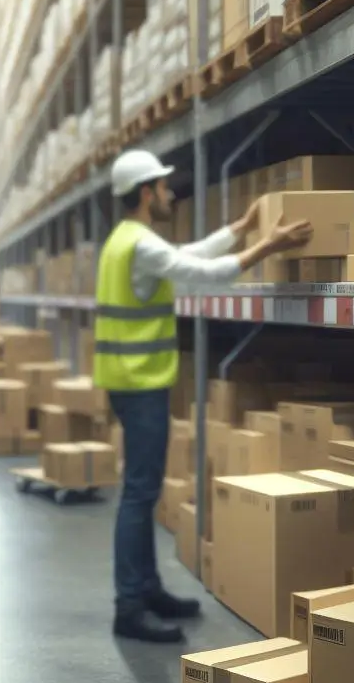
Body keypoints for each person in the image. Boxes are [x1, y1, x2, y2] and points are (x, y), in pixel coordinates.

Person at [94, 149, 312, 644]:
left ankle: (146, 589)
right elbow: (202, 275)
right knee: (139, 494)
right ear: (148, 192)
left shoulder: (125, 241)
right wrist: (267, 246)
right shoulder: (140, 245)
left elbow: (187, 254)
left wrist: (239, 229)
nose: (172, 194)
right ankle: (130, 604)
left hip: (129, 380)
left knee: (140, 491)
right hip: (139, 381)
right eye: (166, 187)